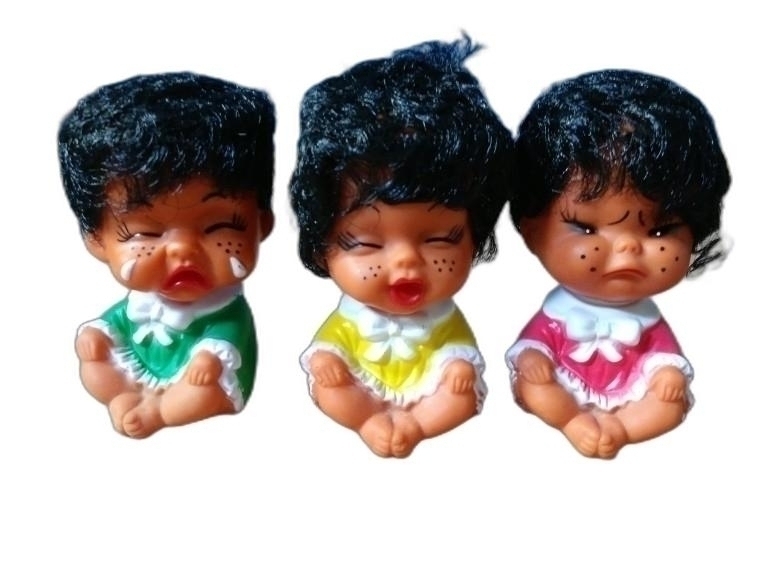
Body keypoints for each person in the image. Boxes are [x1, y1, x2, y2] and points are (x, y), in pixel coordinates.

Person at [290, 36, 514, 457]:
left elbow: (455, 346)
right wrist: (327, 360)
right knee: (329, 385)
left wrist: (459, 367)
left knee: (460, 395)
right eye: (364, 243)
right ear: (322, 244)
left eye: (440, 239)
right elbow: (333, 341)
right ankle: (367, 420)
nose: (406, 262)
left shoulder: (443, 317)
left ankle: (416, 424)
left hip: (427, 382)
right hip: (363, 379)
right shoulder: (351, 318)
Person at [505, 69, 731, 458]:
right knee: (534, 385)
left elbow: (661, 356)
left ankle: (622, 428)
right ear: (531, 228)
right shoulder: (557, 314)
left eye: (660, 231)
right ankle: (573, 422)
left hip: (631, 392)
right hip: (565, 383)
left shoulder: (648, 321)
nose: (627, 248)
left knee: (671, 402)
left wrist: (667, 374)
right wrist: (532, 357)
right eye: (586, 228)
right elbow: (535, 344)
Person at [58, 72, 275, 438]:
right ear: (96, 239)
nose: (182, 251)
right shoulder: (139, 303)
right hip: (141, 366)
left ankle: (159, 412)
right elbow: (119, 320)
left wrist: (208, 359)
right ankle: (123, 395)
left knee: (205, 390)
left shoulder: (225, 311)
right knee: (94, 360)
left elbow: (228, 334)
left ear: (261, 224)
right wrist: (99, 336)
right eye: (145, 233)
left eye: (219, 226)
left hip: (196, 378)